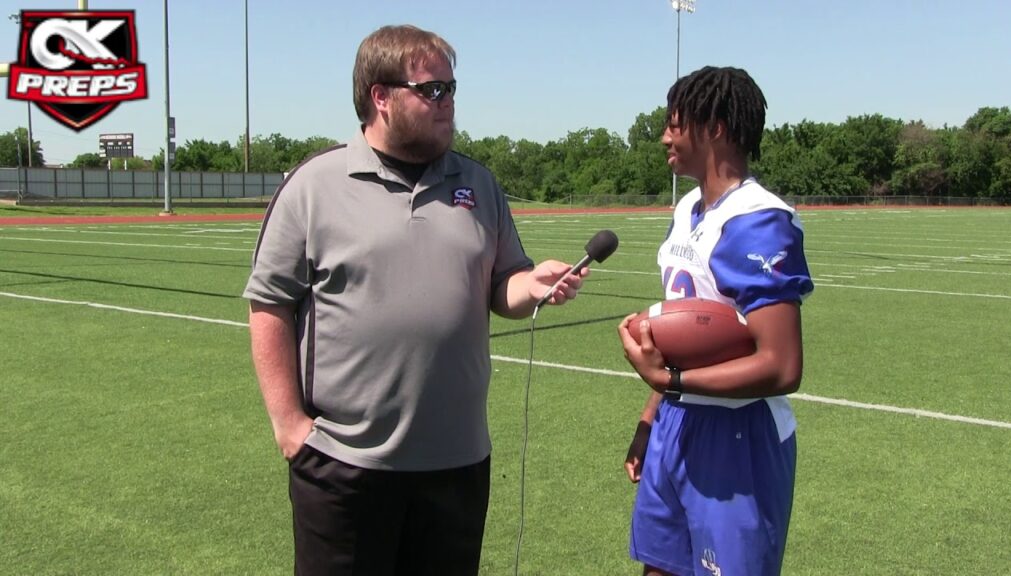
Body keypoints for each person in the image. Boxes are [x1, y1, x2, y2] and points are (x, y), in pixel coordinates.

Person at [243, 24, 587, 576]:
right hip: (343, 464)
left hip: (457, 464)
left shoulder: (478, 184)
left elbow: (505, 284)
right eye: (432, 90)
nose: (447, 102)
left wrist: (534, 285)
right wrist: (290, 426)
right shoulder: (314, 185)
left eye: (451, 88)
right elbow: (269, 305)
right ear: (381, 96)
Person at [617, 66, 814, 576]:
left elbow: (782, 365)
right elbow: (686, 339)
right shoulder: (686, 209)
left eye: (675, 123)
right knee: (659, 567)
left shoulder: (757, 219)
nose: (664, 135)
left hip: (738, 433)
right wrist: (649, 416)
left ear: (715, 128)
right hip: (676, 423)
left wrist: (672, 380)